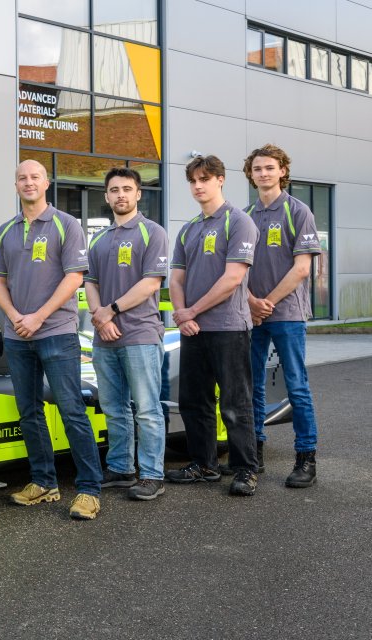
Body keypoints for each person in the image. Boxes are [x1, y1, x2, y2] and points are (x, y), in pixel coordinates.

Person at [0, 159, 103, 520]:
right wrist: (16, 317)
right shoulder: (6, 230)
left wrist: (37, 316)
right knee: (29, 412)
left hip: (56, 332)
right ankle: (44, 482)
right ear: (16, 184)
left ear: (46, 182)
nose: (28, 182)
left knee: (70, 410)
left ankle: (88, 490)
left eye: (35, 176)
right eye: (22, 177)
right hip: (18, 334)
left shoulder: (66, 226)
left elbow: (74, 278)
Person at [166, 155, 260, 496]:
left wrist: (191, 311)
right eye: (193, 181)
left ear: (220, 179)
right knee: (194, 401)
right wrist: (183, 313)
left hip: (229, 328)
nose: (198, 186)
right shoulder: (189, 228)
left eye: (204, 179)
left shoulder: (239, 222)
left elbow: (232, 279)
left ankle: (245, 469)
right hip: (193, 330)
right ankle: (204, 464)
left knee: (235, 402)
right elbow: (176, 278)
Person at [84, 168, 169, 501]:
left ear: (138, 194)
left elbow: (151, 282)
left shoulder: (152, 233)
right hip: (105, 338)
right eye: (114, 190)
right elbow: (89, 282)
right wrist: (100, 319)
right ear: (106, 197)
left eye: (127, 189)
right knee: (114, 407)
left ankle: (151, 474)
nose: (121, 195)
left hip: (141, 335)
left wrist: (111, 310)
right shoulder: (99, 239)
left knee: (146, 409)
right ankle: (121, 467)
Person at [243, 144, 323, 488]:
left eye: (270, 168)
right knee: (252, 385)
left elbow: (302, 268)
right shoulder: (244, 215)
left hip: (286, 314)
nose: (264, 173)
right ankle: (254, 452)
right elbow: (237, 269)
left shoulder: (298, 211)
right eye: (258, 168)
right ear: (251, 174)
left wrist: (266, 303)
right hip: (251, 315)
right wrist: (250, 302)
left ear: (282, 171)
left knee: (296, 385)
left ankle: (306, 457)